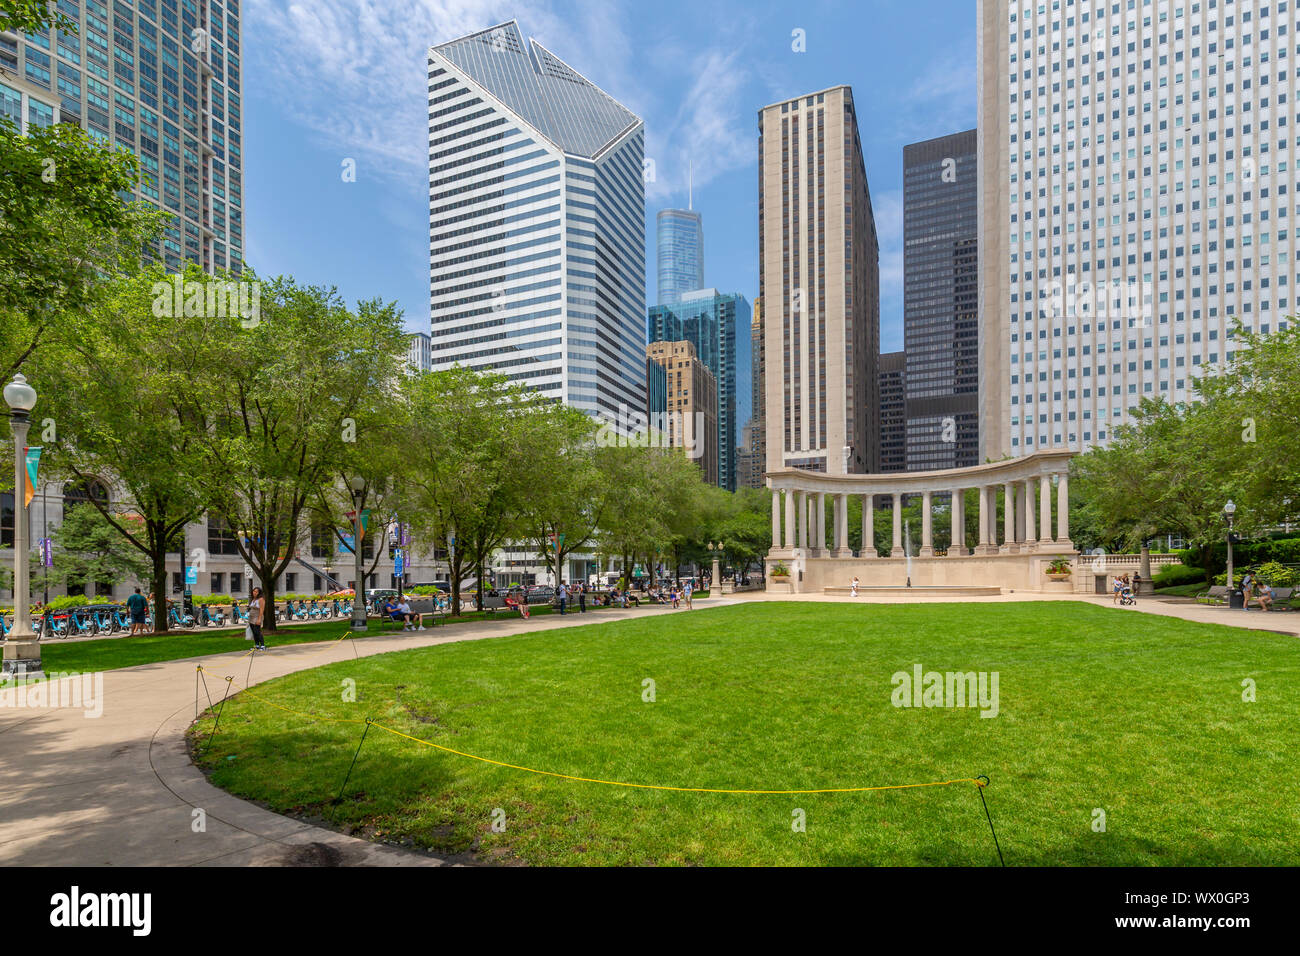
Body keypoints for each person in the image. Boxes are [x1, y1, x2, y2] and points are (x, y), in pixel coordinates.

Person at [248, 586, 268, 650]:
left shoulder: (261, 599)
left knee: (257, 631)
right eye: (254, 591)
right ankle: (256, 645)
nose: (255, 593)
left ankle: (262, 645)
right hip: (251, 617)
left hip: (257, 617)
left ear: (259, 593)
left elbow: (262, 610)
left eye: (256, 592)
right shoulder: (253, 599)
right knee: (254, 632)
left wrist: (259, 619)